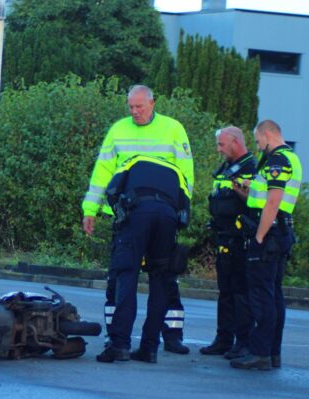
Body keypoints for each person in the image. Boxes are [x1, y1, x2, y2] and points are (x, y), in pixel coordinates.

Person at [81, 85, 194, 362]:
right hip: (159, 213)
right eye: (130, 107)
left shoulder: (173, 128)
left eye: (140, 107)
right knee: (158, 277)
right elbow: (102, 171)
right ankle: (149, 348)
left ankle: (120, 345)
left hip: (138, 215)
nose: (135, 112)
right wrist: (90, 208)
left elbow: (187, 172)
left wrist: (183, 208)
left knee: (127, 274)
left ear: (153, 103)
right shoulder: (119, 129)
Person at [230, 119, 302, 370]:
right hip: (280, 231)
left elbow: (273, 202)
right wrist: (243, 189)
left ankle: (260, 352)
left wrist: (259, 236)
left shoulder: (277, 160)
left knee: (261, 295)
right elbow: (262, 198)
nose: (257, 146)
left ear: (268, 135)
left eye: (258, 140)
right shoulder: (289, 158)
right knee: (273, 294)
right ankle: (272, 352)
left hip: (269, 234)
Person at [200, 126, 256, 358]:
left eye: (222, 144)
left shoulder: (252, 168)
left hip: (242, 240)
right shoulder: (226, 168)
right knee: (225, 292)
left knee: (241, 293)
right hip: (224, 237)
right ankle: (224, 338)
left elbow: (255, 201)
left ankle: (243, 342)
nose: (218, 149)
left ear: (235, 142)